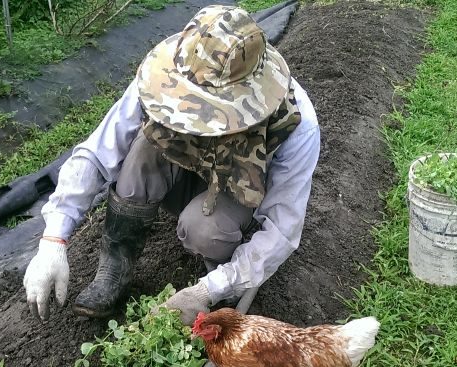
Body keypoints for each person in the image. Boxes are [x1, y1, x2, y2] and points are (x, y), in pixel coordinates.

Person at [23, 4, 320, 325]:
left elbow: (281, 229)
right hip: (185, 168)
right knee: (142, 151)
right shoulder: (167, 75)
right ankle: (114, 269)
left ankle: (220, 269)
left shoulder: (296, 124)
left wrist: (210, 289)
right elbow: (97, 153)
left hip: (236, 191)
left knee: (204, 230)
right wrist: (54, 239)